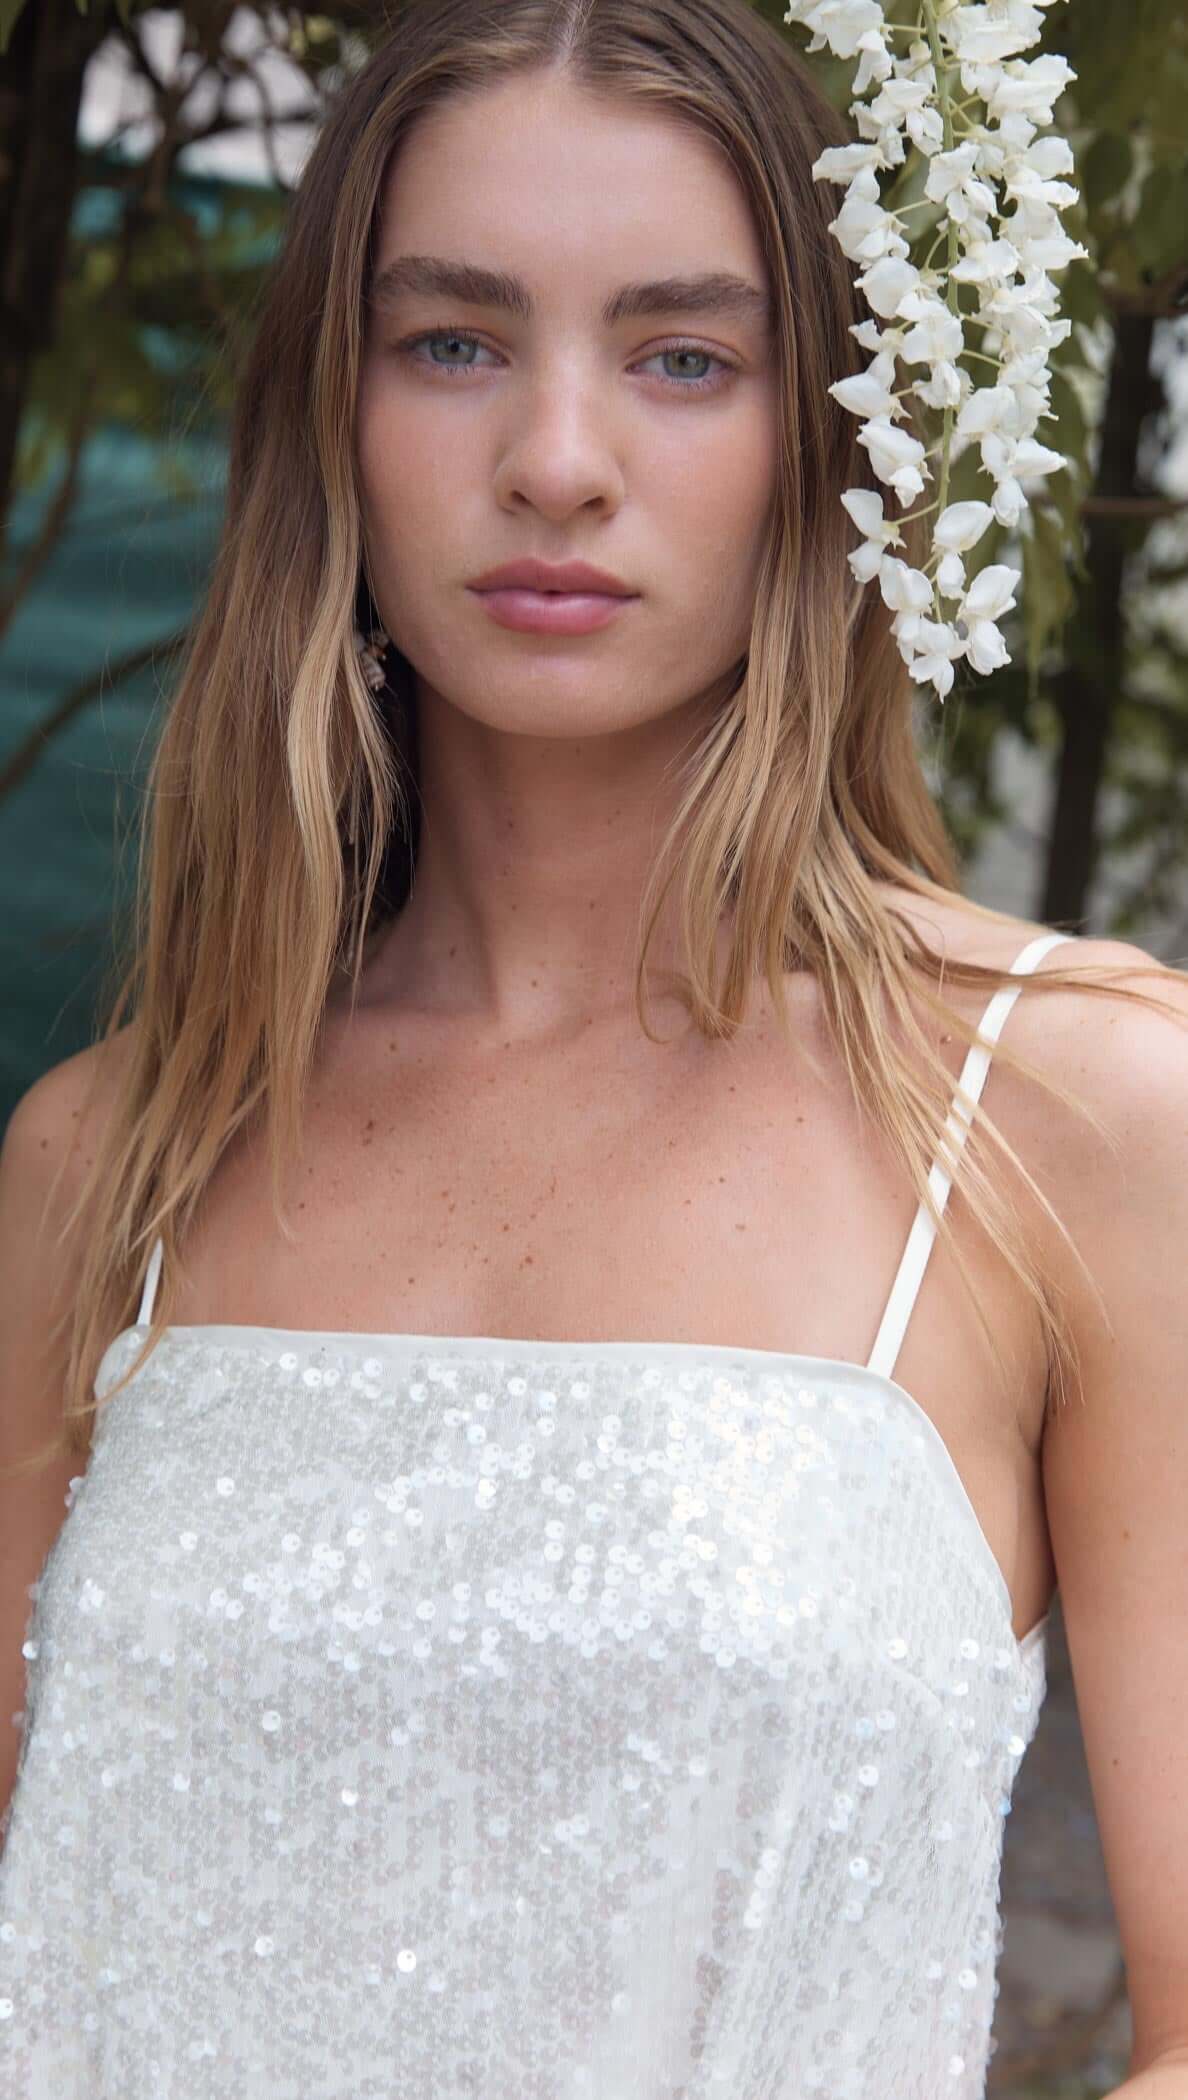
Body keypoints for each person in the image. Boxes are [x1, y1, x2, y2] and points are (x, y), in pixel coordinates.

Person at [2, 1, 1187, 2093]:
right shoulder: (114, 1160)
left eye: (683, 357)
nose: (557, 456)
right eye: (454, 340)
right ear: (334, 419)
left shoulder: (1072, 1109)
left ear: (832, 428)